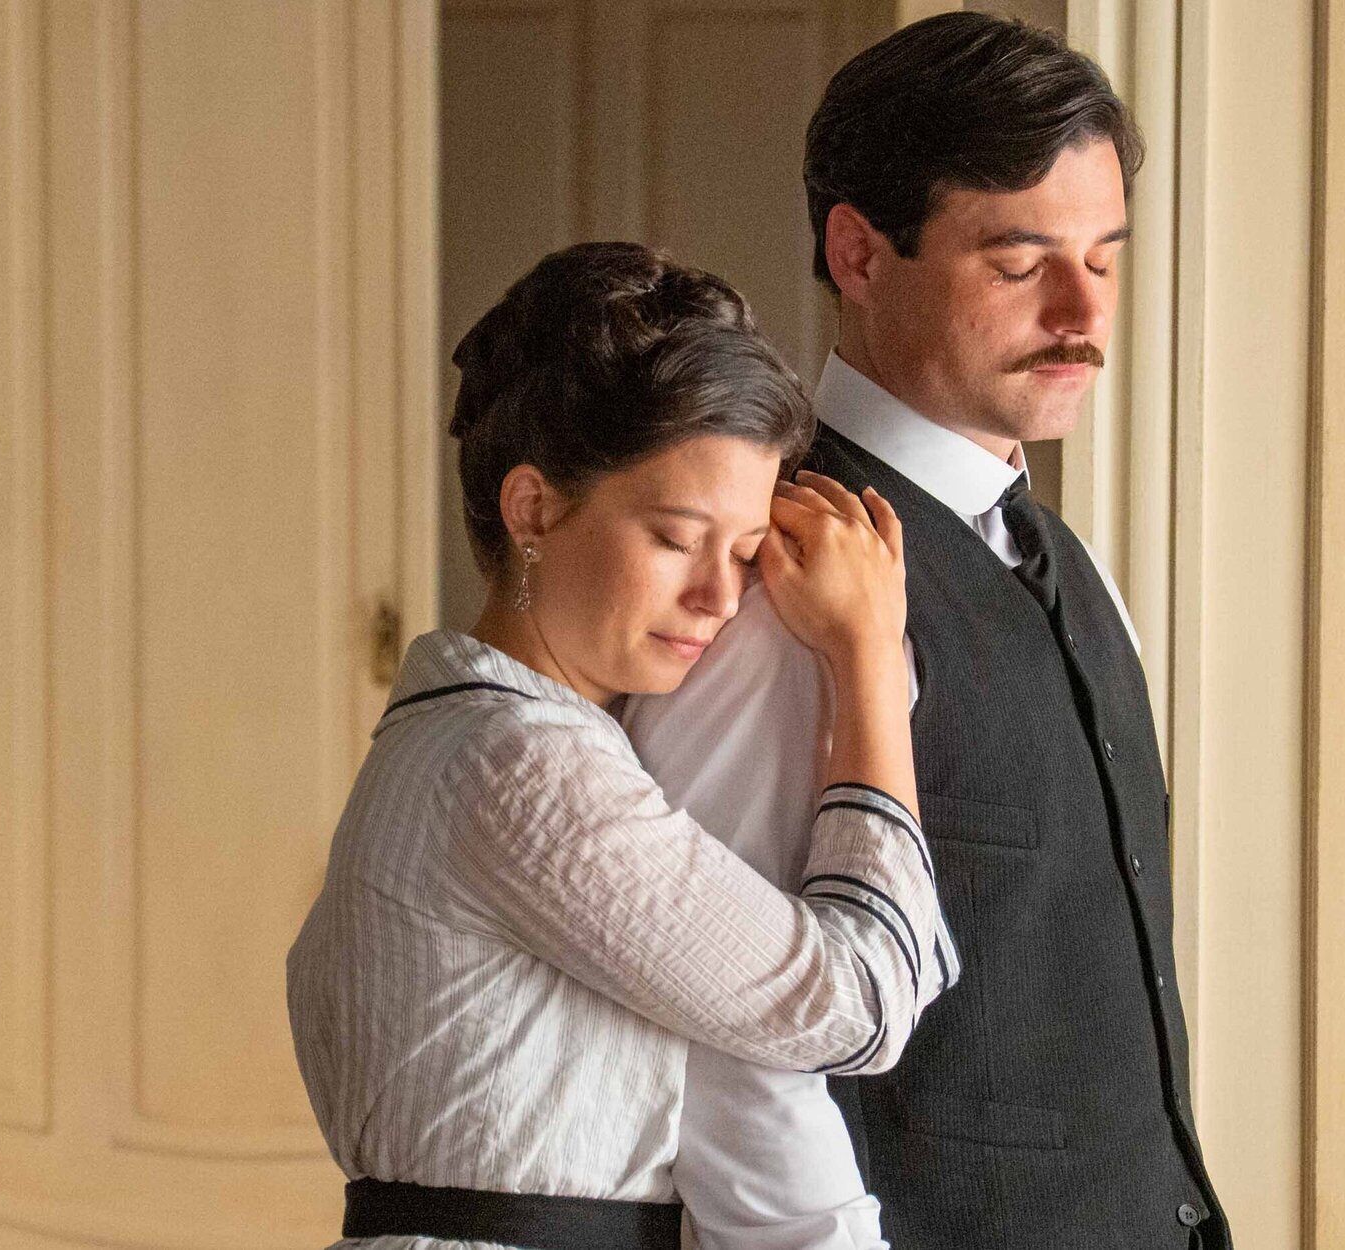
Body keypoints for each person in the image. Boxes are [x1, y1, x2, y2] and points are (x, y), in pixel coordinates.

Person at [624, 15, 1230, 1249]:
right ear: (857, 251)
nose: (1081, 311)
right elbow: (720, 1038)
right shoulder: (775, 582)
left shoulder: (1073, 571)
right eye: (1018, 262)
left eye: (1102, 258)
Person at [286, 241, 953, 1250]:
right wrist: (865, 653)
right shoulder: (519, 767)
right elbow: (856, 1004)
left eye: (743, 552)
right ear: (533, 508)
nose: (718, 595)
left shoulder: (460, 737)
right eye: (677, 538)